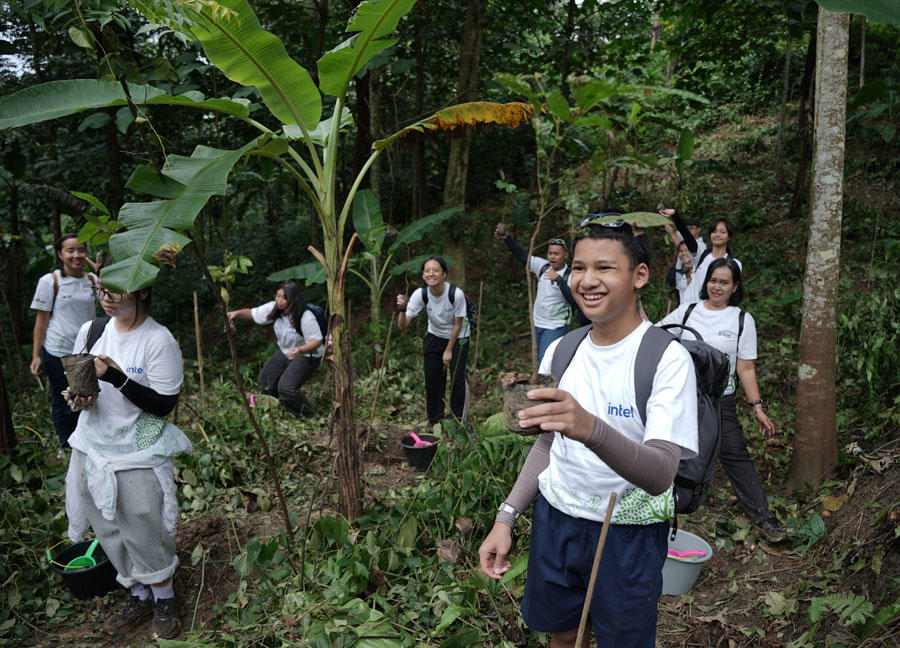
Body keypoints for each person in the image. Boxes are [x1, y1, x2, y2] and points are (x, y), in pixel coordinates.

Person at [478, 222, 698, 647]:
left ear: (639, 276)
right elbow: (549, 443)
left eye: (604, 268)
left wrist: (591, 428)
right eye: (578, 268)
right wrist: (506, 517)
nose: (587, 280)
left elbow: (660, 474)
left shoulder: (665, 359)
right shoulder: (563, 349)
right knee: (562, 635)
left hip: (627, 533)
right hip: (557, 521)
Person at [64, 284, 189, 639]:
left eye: (118, 291)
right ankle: (138, 593)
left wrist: (117, 376)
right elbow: (80, 383)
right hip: (94, 443)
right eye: (103, 288)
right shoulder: (91, 331)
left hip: (136, 445)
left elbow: (163, 405)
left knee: (142, 522)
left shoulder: (158, 340)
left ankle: (165, 597)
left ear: (143, 292)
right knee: (106, 523)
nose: (108, 297)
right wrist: (79, 395)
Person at [658, 258, 786, 542]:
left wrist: (758, 408)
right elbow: (656, 337)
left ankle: (763, 516)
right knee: (670, 450)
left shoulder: (741, 319)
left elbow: (746, 367)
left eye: (724, 282)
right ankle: (662, 508)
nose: (717, 287)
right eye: (713, 281)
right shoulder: (688, 311)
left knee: (735, 454)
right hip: (682, 399)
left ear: (734, 287)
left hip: (720, 401)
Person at [29, 233, 100, 453]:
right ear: (60, 254)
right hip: (58, 350)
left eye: (81, 250)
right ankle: (66, 445)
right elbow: (41, 321)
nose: (76, 255)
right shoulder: (50, 281)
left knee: (87, 397)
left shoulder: (93, 280)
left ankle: (85, 442)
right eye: (70, 250)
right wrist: (36, 355)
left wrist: (100, 274)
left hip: (86, 350)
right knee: (64, 398)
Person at [227, 280, 323, 419]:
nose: (279, 300)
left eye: (284, 298)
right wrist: (235, 314)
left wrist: (300, 350)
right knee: (266, 380)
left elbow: (317, 340)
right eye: (277, 296)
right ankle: (279, 410)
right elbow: (253, 314)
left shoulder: (305, 316)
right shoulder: (274, 308)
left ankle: (310, 416)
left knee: (286, 388)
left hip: (307, 354)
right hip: (286, 352)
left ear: (293, 299)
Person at [396, 256, 470, 427]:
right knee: (433, 379)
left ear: (444, 274)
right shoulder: (420, 294)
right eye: (427, 271)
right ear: (423, 275)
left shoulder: (455, 294)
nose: (431, 274)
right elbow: (403, 325)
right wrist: (401, 309)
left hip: (458, 338)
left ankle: (460, 421)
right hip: (434, 335)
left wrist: (449, 350)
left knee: (457, 379)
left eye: (436, 270)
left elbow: (458, 325)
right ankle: (435, 419)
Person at [494, 224, 574, 361]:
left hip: (556, 325)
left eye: (556, 253)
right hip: (537, 322)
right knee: (538, 360)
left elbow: (574, 300)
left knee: (547, 360)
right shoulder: (543, 267)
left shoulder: (571, 275)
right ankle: (542, 382)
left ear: (565, 255)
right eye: (550, 253)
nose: (552, 257)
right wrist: (508, 239)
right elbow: (522, 256)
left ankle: (553, 382)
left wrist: (559, 281)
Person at [680, 217, 742, 305]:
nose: (717, 234)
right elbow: (689, 239)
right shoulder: (702, 254)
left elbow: (733, 293)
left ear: (729, 237)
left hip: (710, 311)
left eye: (722, 232)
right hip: (688, 307)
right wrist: (675, 216)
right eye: (714, 231)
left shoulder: (734, 264)